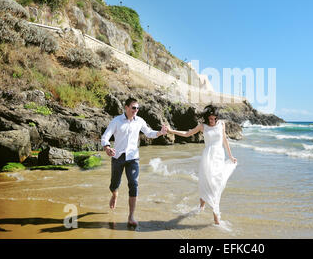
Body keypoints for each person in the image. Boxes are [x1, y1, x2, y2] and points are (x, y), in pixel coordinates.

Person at [101, 97, 167, 227]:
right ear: (126, 107)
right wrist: (107, 148)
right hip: (118, 157)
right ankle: (115, 195)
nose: (136, 110)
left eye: (137, 108)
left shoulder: (139, 121)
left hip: (133, 158)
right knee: (114, 184)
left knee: (134, 184)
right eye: (133, 108)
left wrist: (160, 132)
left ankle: (131, 216)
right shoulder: (117, 121)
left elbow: (149, 133)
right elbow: (105, 136)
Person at [167, 104, 237, 225]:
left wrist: (230, 156)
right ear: (206, 117)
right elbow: (187, 134)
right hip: (208, 157)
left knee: (216, 184)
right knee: (206, 181)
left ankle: (209, 211)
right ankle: (210, 213)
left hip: (219, 156)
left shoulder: (222, 124)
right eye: (210, 118)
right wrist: (171, 131)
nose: (212, 121)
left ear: (217, 117)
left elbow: (224, 139)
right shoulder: (202, 126)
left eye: (214, 118)